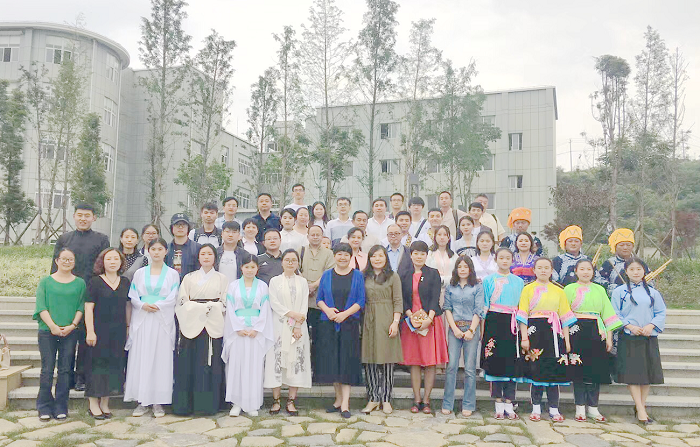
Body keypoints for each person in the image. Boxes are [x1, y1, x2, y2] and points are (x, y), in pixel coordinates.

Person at [51, 203, 109, 391]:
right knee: (67, 337)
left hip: (91, 295)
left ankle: (82, 377)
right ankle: (65, 376)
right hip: (67, 295)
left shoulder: (101, 239)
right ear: (74, 216)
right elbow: (54, 268)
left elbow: (103, 268)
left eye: (87, 215)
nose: (83, 219)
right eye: (80, 215)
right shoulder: (64, 239)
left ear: (94, 218)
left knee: (86, 338)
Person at [124, 238, 180, 418]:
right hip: (143, 319)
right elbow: (133, 294)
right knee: (142, 357)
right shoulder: (140, 273)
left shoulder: (172, 274)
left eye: (160, 249)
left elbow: (174, 296)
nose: (156, 252)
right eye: (153, 249)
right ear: (148, 251)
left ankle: (158, 401)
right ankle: (142, 401)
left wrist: (159, 305)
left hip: (162, 320)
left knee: (160, 358)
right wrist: (142, 305)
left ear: (166, 251)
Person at [517, 257, 577, 422]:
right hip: (535, 332)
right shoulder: (527, 289)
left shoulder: (559, 291)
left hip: (554, 334)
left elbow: (565, 317)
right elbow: (523, 315)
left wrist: (567, 340)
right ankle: (536, 407)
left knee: (553, 371)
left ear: (552, 271)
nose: (543, 270)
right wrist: (524, 337)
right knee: (536, 370)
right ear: (534, 270)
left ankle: (554, 408)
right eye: (540, 267)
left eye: (546, 268)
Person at [172, 244, 229, 415]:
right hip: (192, 322)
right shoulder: (189, 278)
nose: (206, 257)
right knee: (189, 363)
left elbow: (225, 302)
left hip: (212, 323)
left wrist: (211, 307)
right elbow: (182, 301)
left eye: (210, 254)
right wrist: (199, 308)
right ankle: (186, 405)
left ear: (215, 257)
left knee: (211, 364)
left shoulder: (222, 279)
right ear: (198, 257)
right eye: (203, 254)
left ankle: (209, 405)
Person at [564, 259, 623, 423]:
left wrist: (609, 337)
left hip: (596, 331)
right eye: (582, 269)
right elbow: (564, 313)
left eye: (588, 269)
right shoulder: (569, 289)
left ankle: (593, 408)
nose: (585, 272)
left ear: (593, 272)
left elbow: (607, 313)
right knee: (578, 371)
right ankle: (579, 407)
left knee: (595, 371)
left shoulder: (600, 289)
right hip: (576, 330)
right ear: (576, 271)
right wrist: (566, 338)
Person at [612, 257, 666, 425]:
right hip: (629, 337)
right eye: (632, 269)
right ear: (626, 272)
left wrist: (651, 325)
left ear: (645, 271)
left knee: (647, 374)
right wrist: (629, 326)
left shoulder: (653, 292)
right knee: (633, 374)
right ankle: (641, 409)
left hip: (648, 337)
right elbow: (615, 313)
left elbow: (660, 312)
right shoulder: (619, 291)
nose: (635, 272)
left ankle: (641, 406)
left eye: (639, 269)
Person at [315, 243, 366, 418]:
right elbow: (319, 299)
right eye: (339, 254)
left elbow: (361, 300)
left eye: (346, 254)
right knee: (333, 363)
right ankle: (337, 400)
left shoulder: (357, 275)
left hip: (349, 324)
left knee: (346, 362)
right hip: (328, 324)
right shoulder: (326, 275)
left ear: (350, 256)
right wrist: (328, 310)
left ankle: (345, 403)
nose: (342, 257)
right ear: (334, 255)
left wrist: (344, 314)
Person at [34, 248, 86, 421]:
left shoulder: (80, 283)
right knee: (47, 369)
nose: (66, 262)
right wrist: (52, 326)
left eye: (70, 259)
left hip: (70, 332)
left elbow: (81, 307)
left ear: (74, 262)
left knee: (65, 370)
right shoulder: (45, 282)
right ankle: (44, 407)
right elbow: (41, 306)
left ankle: (61, 406)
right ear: (56, 261)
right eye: (63, 259)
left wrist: (72, 325)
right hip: (47, 332)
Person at [223, 253, 274, 417]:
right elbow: (230, 309)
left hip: (255, 332)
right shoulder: (233, 286)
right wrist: (237, 328)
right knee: (236, 365)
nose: (250, 270)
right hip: (238, 331)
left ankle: (252, 403)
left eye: (253, 267)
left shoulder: (262, 287)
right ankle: (236, 403)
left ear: (257, 268)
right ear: (241, 268)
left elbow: (265, 309)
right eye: (247, 267)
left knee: (254, 366)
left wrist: (257, 329)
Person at [400, 241, 448, 415]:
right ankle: (416, 399)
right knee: (414, 362)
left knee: (429, 362)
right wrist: (410, 315)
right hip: (411, 323)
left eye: (422, 253)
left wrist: (429, 318)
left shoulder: (433, 273)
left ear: (427, 256)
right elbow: (402, 298)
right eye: (416, 253)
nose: (419, 256)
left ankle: (426, 400)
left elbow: (435, 297)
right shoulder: (404, 275)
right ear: (411, 255)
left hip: (430, 321)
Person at [264, 250, 312, 416]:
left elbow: (304, 305)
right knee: (276, 361)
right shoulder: (274, 281)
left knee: (295, 361)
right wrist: (291, 314)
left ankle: (291, 400)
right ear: (282, 262)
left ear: (298, 263)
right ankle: (276, 400)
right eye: (287, 260)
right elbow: (274, 303)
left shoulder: (302, 282)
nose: (290, 263)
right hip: (279, 325)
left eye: (293, 260)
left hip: (298, 327)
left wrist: (298, 324)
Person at [84, 248, 130, 420]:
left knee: (113, 366)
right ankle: (93, 404)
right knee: (96, 366)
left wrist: (128, 327)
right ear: (102, 262)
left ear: (121, 262)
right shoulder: (95, 282)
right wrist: (90, 331)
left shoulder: (125, 282)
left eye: (116, 259)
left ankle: (105, 403)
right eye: (108, 259)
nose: (112, 262)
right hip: (98, 331)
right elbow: (88, 308)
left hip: (118, 331)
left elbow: (128, 306)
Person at [481, 248, 525, 420]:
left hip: (512, 322)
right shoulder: (488, 280)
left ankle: (509, 401)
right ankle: (498, 402)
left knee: (511, 362)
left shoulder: (519, 282)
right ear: (496, 259)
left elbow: (521, 306)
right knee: (494, 361)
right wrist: (483, 330)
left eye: (508, 258)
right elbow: (485, 305)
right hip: (493, 321)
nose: (505, 261)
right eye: (501, 258)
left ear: (512, 260)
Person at [361, 246, 403, 415]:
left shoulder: (393, 276)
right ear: (369, 259)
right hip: (369, 319)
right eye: (374, 256)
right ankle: (373, 398)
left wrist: (395, 322)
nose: (377, 259)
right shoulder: (364, 276)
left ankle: (386, 399)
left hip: (387, 319)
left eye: (380, 256)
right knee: (370, 359)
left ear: (386, 258)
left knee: (387, 360)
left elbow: (398, 300)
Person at [441, 256, 484, 417]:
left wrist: (471, 330)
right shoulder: (451, 287)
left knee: (470, 368)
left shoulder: (477, 287)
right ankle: (448, 403)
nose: (463, 269)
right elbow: (447, 308)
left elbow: (478, 310)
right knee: (451, 366)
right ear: (456, 269)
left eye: (466, 266)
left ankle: (468, 404)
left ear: (470, 269)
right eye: (460, 267)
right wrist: (454, 329)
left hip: (471, 328)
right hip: (455, 328)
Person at [300, 225, 336, 366]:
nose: (315, 237)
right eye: (312, 234)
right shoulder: (300, 251)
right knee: (302, 335)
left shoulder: (329, 253)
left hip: (321, 300)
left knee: (319, 336)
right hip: (303, 300)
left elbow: (329, 272)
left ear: (322, 236)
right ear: (307, 236)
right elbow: (296, 269)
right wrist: (305, 286)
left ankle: (317, 367)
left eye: (318, 235)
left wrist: (314, 286)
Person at [596, 228, 651, 296]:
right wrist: (613, 288)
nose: (625, 248)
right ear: (615, 247)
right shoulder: (609, 263)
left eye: (628, 245)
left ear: (632, 246)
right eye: (621, 245)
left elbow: (650, 282)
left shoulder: (640, 263)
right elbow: (599, 282)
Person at [165, 213, 200, 281]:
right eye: (177, 225)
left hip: (190, 285)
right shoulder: (166, 248)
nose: (180, 227)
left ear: (188, 228)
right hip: (170, 285)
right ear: (172, 228)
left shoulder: (197, 248)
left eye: (183, 225)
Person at [427, 225, 458, 296]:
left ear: (449, 238)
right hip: (433, 290)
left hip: (451, 290)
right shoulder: (430, 254)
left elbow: (457, 273)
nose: (442, 237)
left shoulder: (454, 255)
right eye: (439, 234)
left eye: (445, 235)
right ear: (435, 237)